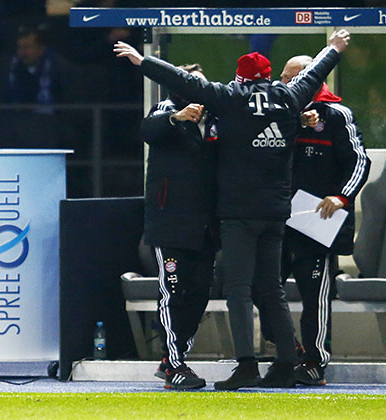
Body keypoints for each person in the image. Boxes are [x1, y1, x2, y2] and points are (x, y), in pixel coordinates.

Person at [114, 29, 351, 390]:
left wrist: (142, 60)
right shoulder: (287, 98)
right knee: (271, 289)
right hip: (274, 213)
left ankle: (247, 365)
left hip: (237, 214)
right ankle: (286, 363)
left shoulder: (229, 100)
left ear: (239, 79)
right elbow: (313, 75)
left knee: (239, 289)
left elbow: (178, 79)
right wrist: (333, 48)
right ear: (270, 76)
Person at [262, 55, 370, 386]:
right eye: (281, 77)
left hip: (315, 220)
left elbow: (359, 161)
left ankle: (314, 359)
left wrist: (341, 197)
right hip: (275, 219)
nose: (283, 84)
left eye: (290, 78)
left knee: (315, 295)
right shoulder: (276, 114)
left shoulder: (337, 116)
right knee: (261, 288)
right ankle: (287, 349)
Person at [141, 63, 220, 390]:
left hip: (205, 226)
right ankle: (174, 364)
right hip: (169, 222)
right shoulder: (166, 110)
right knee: (172, 292)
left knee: (200, 292)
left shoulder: (217, 119)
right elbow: (148, 130)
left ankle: (173, 356)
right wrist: (177, 117)